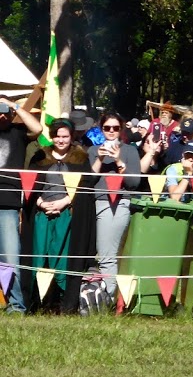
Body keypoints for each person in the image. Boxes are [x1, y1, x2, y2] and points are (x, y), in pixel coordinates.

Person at [21, 119, 96, 314]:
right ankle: (37, 304)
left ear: (71, 137)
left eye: (65, 136)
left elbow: (85, 187)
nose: (61, 140)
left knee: (61, 259)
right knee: (39, 257)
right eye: (57, 136)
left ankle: (61, 305)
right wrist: (40, 203)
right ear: (52, 136)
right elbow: (29, 185)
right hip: (41, 215)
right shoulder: (39, 156)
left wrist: (65, 202)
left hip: (66, 215)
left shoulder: (80, 158)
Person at [88, 112, 160, 300]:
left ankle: (109, 298)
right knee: (92, 254)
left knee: (107, 255)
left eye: (115, 128)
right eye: (107, 128)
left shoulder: (129, 151)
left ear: (121, 129)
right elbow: (88, 180)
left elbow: (134, 183)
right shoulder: (92, 150)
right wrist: (100, 159)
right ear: (101, 129)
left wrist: (119, 160)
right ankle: (95, 295)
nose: (111, 131)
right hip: (92, 203)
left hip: (117, 205)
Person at [0, 97, 42, 313]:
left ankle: (17, 305)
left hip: (7, 204)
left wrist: (14, 105)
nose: (2, 115)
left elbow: (38, 128)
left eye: (5, 112)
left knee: (11, 257)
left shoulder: (17, 131)